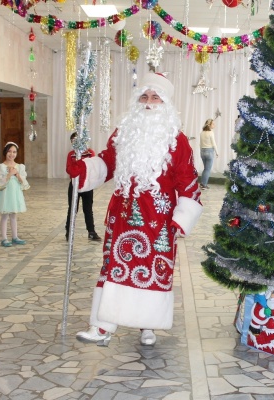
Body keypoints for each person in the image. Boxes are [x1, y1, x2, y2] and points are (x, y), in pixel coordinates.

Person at [73, 72, 203, 346]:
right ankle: (102, 327)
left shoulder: (177, 140)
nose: (148, 102)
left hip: (158, 220)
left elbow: (188, 181)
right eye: (144, 96)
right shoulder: (123, 134)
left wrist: (182, 218)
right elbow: (107, 162)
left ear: (165, 103)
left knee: (152, 270)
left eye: (155, 97)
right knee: (114, 268)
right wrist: (83, 169)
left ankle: (148, 324)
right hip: (122, 216)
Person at [0, 142, 30, 246]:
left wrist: (17, 174)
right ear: (5, 152)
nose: (12, 154)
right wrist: (9, 174)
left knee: (13, 215)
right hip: (5, 194)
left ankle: (15, 237)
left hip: (14, 193)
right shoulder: (1, 167)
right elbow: (0, 182)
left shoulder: (20, 167)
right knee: (5, 216)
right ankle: (4, 238)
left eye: (14, 152)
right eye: (9, 151)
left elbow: (23, 182)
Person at [65, 132, 101, 242]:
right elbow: (69, 169)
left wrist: (79, 166)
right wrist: (77, 167)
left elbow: (92, 168)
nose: (75, 143)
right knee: (73, 209)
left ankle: (91, 232)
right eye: (73, 141)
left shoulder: (90, 153)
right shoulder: (71, 154)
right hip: (74, 185)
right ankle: (69, 231)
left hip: (87, 185)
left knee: (88, 209)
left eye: (77, 141)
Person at [199, 118, 219, 190]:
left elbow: (200, 144)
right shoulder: (211, 133)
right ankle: (204, 185)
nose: (214, 125)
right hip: (209, 151)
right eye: (213, 124)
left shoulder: (202, 133)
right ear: (209, 125)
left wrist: (201, 151)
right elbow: (214, 144)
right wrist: (217, 152)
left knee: (205, 169)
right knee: (207, 169)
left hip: (202, 151)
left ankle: (202, 183)